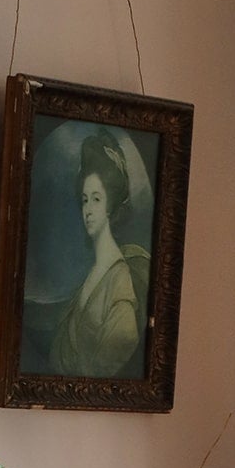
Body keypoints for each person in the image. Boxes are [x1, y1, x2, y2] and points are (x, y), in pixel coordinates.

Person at [48, 133, 151, 377]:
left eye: (96, 199)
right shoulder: (91, 276)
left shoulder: (120, 281)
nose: (88, 210)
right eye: (84, 200)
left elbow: (111, 360)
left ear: (110, 206)